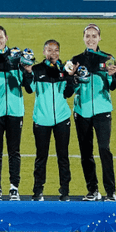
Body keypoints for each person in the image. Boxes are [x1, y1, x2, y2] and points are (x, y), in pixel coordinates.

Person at [70, 23, 116, 201]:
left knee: (104, 149)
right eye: (88, 36)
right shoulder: (76, 60)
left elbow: (114, 86)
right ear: (83, 38)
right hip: (82, 111)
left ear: (99, 38)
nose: (90, 39)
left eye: (94, 36)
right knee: (86, 152)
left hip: (102, 110)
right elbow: (69, 89)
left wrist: (112, 75)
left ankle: (110, 191)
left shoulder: (108, 58)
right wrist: (73, 78)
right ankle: (93, 190)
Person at [0, 25, 32, 201]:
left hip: (15, 110)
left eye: (0, 37)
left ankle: (14, 188)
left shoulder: (17, 57)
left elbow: (29, 87)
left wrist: (28, 71)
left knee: (14, 151)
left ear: (6, 38)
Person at [28, 40, 73, 201]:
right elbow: (29, 89)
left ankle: (65, 191)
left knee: (63, 156)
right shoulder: (37, 69)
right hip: (41, 119)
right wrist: (27, 73)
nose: (53, 53)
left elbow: (68, 93)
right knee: (41, 156)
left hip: (62, 118)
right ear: (44, 52)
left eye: (56, 50)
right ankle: (38, 191)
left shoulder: (65, 69)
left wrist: (70, 77)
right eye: (49, 50)